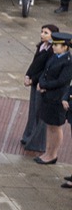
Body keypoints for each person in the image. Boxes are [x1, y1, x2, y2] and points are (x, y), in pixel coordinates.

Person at [35, 32, 72, 164]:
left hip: (57, 98)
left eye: (57, 45)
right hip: (48, 96)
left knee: (55, 127)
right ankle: (48, 151)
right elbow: (45, 71)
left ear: (66, 47)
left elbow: (61, 81)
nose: (54, 47)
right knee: (49, 125)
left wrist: (44, 85)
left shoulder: (68, 62)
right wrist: (40, 81)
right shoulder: (55, 57)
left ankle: (53, 154)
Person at [22, 25, 59, 157]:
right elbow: (34, 64)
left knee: (39, 113)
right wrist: (27, 75)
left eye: (46, 33)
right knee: (33, 110)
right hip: (34, 82)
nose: (42, 34)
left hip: (41, 84)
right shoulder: (41, 47)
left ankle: (37, 142)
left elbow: (45, 70)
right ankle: (28, 135)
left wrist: (33, 80)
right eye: (42, 32)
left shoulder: (51, 52)